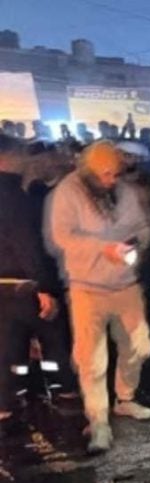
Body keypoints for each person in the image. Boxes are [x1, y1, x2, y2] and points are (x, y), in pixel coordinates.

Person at [44, 141, 150, 453]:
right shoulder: (68, 192)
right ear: (89, 171)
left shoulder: (126, 191)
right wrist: (103, 248)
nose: (111, 180)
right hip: (87, 287)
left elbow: (144, 225)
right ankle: (98, 422)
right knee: (91, 359)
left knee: (139, 344)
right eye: (105, 174)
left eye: (116, 174)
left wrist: (136, 243)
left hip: (125, 284)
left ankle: (126, 397)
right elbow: (62, 236)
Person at [0, 135, 65, 430]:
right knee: (51, 339)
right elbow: (27, 245)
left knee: (8, 347)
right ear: (9, 156)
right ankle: (63, 389)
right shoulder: (13, 196)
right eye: (22, 153)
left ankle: (8, 399)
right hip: (22, 284)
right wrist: (45, 287)